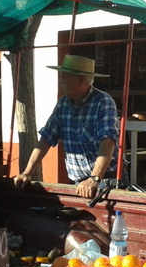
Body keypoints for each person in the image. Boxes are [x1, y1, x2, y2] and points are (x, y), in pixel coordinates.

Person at [13, 55, 123, 199]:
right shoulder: (63, 104)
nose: (60, 82)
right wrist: (27, 171)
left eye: (64, 78)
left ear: (80, 80)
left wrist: (95, 178)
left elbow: (107, 142)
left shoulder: (103, 102)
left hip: (104, 180)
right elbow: (46, 138)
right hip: (77, 182)